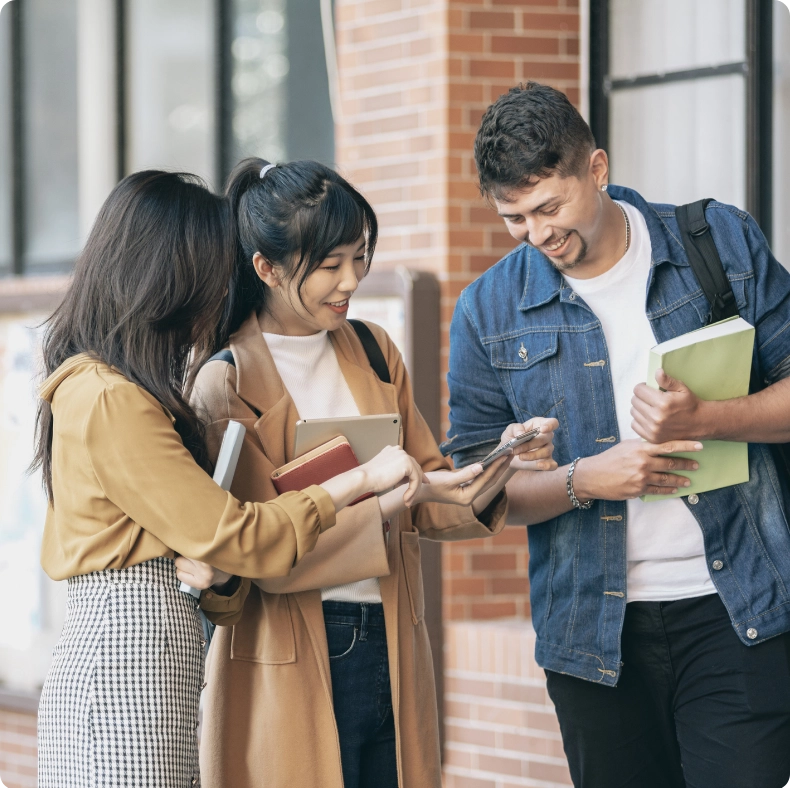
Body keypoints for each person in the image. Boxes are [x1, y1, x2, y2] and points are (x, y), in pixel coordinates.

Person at [443, 82, 790, 788]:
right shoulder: (488, 308)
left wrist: (709, 420)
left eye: (549, 206)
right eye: (514, 218)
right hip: (591, 639)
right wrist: (580, 480)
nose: (539, 234)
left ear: (596, 169)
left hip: (739, 613)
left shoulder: (716, 242)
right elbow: (473, 494)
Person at [34, 170, 428, 788]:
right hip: (124, 667)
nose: (223, 294)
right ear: (165, 279)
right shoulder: (111, 397)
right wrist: (357, 481)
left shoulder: (122, 390)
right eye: (210, 277)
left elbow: (214, 547)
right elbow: (237, 534)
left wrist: (218, 569)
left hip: (155, 661)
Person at [185, 158, 558, 788]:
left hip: (390, 636)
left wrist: (502, 460)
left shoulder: (374, 350)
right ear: (266, 269)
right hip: (291, 653)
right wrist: (381, 500)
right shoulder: (228, 381)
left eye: (359, 257)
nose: (350, 280)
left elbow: (431, 492)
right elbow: (256, 551)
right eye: (330, 265)